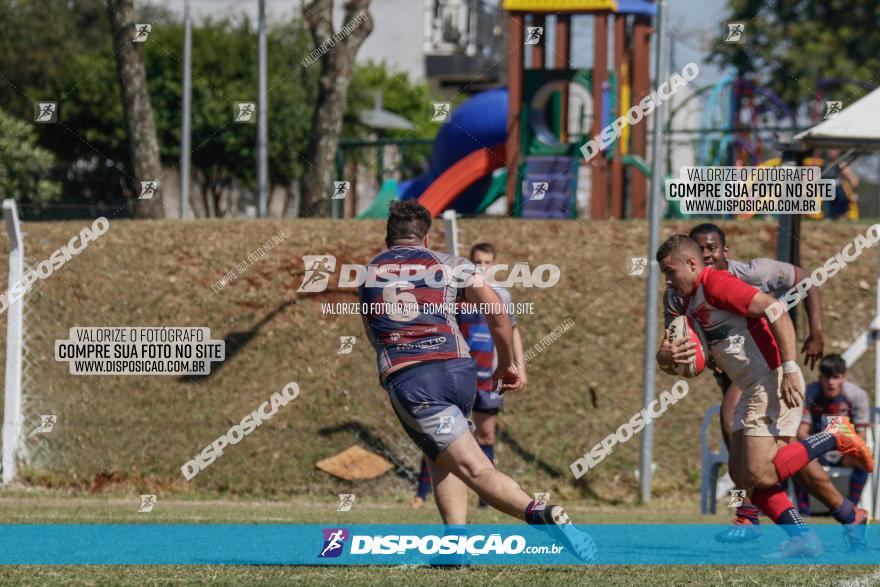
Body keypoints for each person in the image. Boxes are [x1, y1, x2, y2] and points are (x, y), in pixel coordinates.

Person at [360, 201, 594, 560]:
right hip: (459, 370)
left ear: (387, 237)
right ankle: (455, 545)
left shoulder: (368, 272)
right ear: (425, 236)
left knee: (475, 468)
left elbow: (373, 332)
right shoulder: (450, 264)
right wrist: (507, 364)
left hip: (413, 379)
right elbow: (496, 310)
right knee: (442, 456)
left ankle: (542, 514)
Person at [655, 235, 873, 558]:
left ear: (691, 264)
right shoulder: (684, 301)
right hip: (748, 386)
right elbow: (686, 364)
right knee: (741, 475)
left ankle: (832, 435)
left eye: (670, 271)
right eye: (664, 274)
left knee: (761, 473)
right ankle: (826, 527)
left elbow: (776, 309)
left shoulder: (715, 283)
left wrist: (788, 366)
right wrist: (666, 357)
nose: (668, 280)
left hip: (769, 379)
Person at [412, 243, 527, 509]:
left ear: (495, 264)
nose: (482, 266)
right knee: (442, 437)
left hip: (490, 376)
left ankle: (488, 498)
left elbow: (512, 330)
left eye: (487, 262)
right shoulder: (456, 294)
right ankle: (421, 493)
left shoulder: (502, 296)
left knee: (486, 437)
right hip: (456, 377)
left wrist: (519, 365)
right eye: (477, 261)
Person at [795, 355, 871, 527]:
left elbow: (861, 435)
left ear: (844, 377)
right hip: (818, 449)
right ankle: (804, 512)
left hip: (845, 450)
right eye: (827, 377)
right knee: (796, 457)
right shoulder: (810, 393)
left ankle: (851, 511)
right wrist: (810, 452)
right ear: (820, 377)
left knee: (862, 459)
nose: (831, 382)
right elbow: (802, 432)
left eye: (836, 377)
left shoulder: (857, 396)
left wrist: (848, 449)